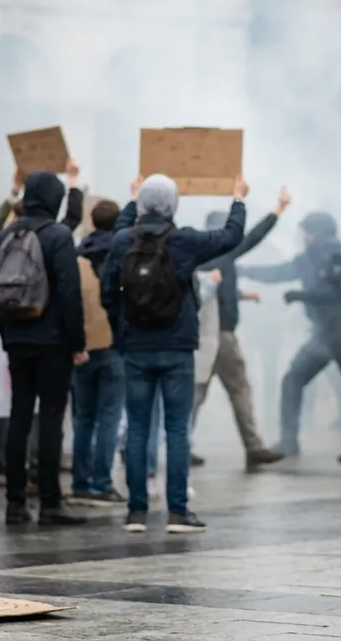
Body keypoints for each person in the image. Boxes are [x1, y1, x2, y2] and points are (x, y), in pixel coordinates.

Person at [102, 174, 246, 534]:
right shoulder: (183, 241)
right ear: (173, 205)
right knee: (178, 430)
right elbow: (230, 238)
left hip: (135, 346)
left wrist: (122, 329)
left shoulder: (123, 241)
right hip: (177, 346)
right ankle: (178, 512)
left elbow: (108, 292)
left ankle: (136, 512)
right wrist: (238, 201)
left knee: (137, 429)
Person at [238, 212, 341, 461]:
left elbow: (339, 294)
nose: (304, 237)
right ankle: (289, 440)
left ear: (317, 233)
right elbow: (280, 272)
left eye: (307, 231)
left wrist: (302, 296)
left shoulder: (337, 257)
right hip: (325, 333)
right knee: (296, 380)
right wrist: (245, 271)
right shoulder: (309, 258)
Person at [0, 168, 87, 527]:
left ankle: (14, 504)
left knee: (19, 416)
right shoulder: (58, 235)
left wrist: (6, 335)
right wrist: (77, 342)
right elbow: (69, 292)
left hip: (16, 338)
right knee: (50, 419)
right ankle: (50, 502)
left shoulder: (8, 233)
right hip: (51, 342)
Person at [191, 188, 291, 470]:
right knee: (239, 389)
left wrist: (242, 295)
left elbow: (211, 289)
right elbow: (254, 237)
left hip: (201, 336)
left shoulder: (198, 254)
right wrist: (278, 210)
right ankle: (254, 446)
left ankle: (181, 445)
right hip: (221, 336)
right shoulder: (223, 251)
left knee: (196, 393)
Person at [69, 199, 126, 505]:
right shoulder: (122, 252)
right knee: (109, 417)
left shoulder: (77, 253)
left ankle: (80, 483)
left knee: (83, 418)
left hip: (82, 347)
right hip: (114, 345)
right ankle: (102, 484)